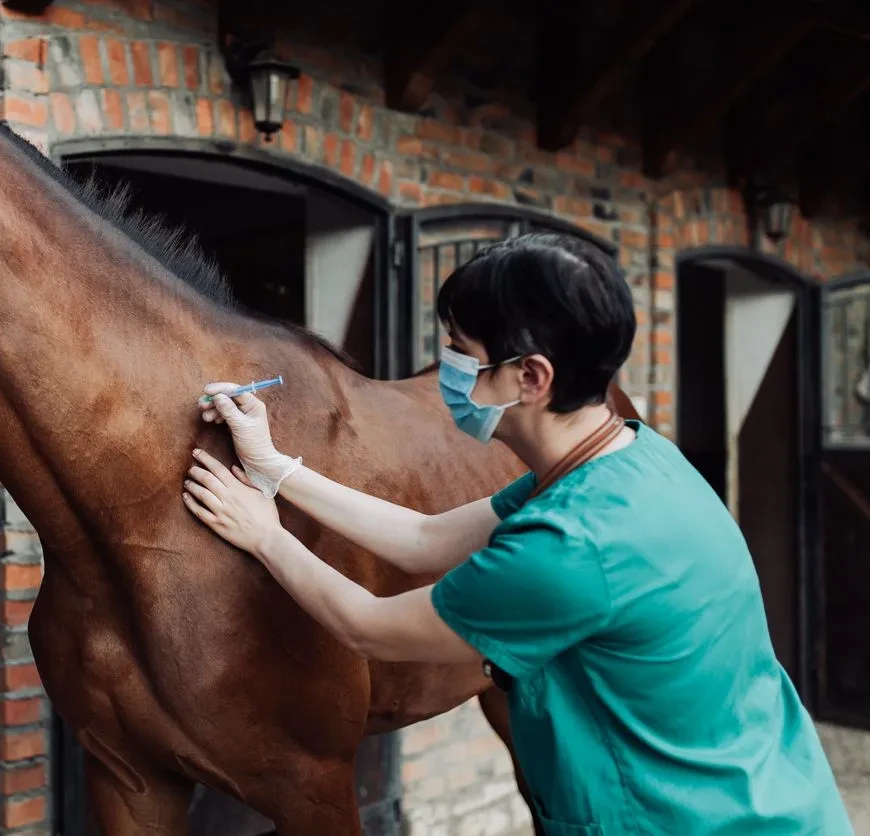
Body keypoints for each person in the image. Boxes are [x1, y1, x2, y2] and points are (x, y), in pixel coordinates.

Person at [182, 233, 851, 834]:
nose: (444, 368)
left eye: (460, 352)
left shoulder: (569, 549)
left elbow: (369, 625)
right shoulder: (621, 458)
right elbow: (424, 538)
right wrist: (277, 468)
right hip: (768, 791)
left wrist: (265, 535)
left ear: (530, 377)